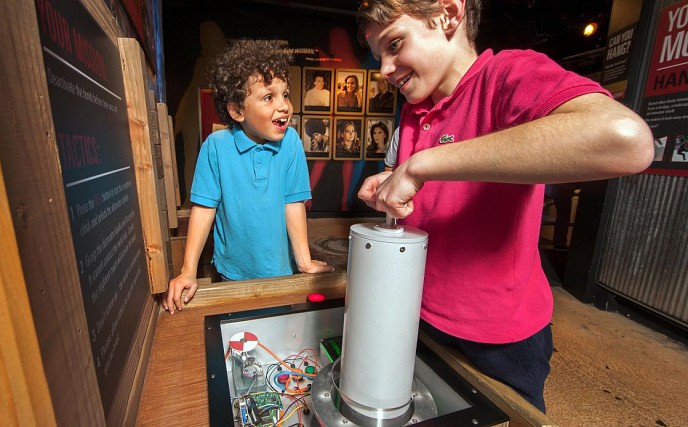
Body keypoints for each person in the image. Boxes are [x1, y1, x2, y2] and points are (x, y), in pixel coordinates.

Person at [356, 0, 653, 413]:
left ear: (448, 14)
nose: (384, 69)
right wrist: (392, 184)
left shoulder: (507, 75)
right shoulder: (413, 110)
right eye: (378, 57)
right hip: (418, 314)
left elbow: (625, 140)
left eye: (395, 44)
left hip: (497, 337)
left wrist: (422, 165)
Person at [162, 39, 334, 314]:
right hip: (233, 273)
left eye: (285, 95)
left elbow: (293, 203)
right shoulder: (216, 146)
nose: (284, 106)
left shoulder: (291, 142)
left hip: (282, 271)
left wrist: (304, 261)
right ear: (237, 110)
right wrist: (187, 271)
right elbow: (204, 209)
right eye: (268, 97)